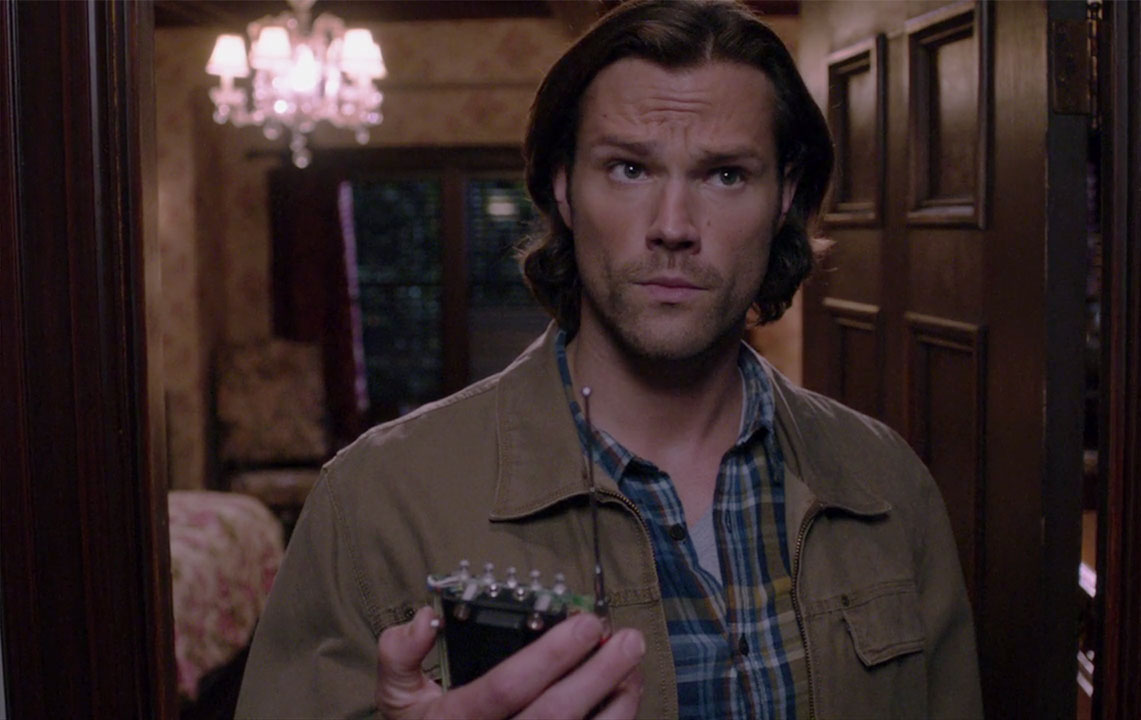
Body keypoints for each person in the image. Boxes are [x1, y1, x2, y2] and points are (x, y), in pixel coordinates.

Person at [235, 1, 982, 718]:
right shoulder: (374, 503)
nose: (673, 225)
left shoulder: (887, 484)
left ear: (783, 197)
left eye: (726, 174)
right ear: (563, 186)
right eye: (629, 169)